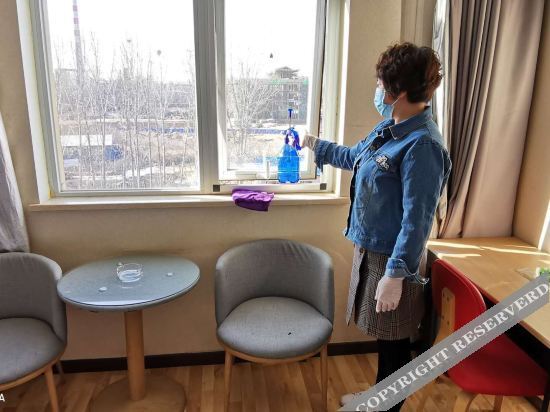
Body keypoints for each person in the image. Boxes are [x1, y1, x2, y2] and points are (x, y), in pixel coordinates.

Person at [301, 42, 452, 410]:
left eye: (381, 83)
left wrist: (396, 274)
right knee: (386, 337)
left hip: (394, 259)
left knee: (395, 343)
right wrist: (316, 146)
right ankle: (378, 398)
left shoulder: (423, 146)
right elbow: (355, 157)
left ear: (398, 92)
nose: (377, 89)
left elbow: (417, 221)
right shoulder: (390, 127)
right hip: (372, 250)